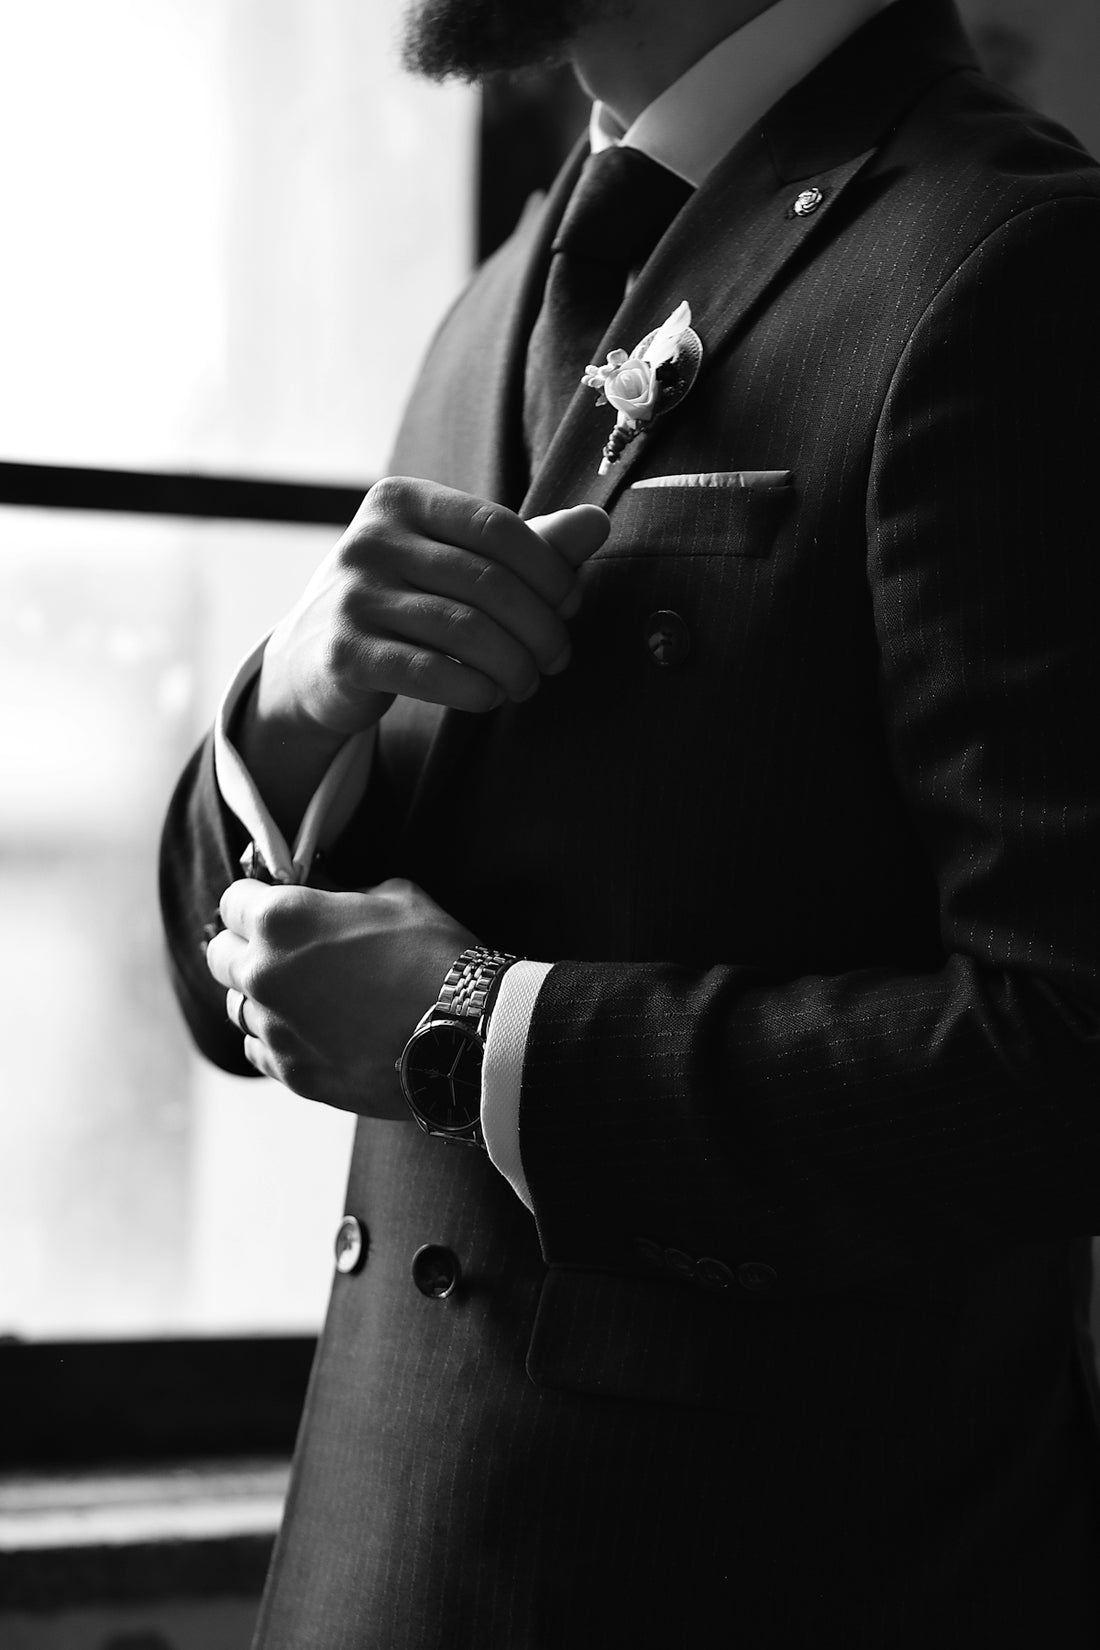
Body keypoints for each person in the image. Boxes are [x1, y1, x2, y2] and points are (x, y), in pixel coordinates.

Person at [159, 0, 1100, 1643]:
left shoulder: (1020, 263)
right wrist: (292, 705)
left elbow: (1072, 1048)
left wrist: (474, 1035)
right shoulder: (497, 290)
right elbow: (224, 999)